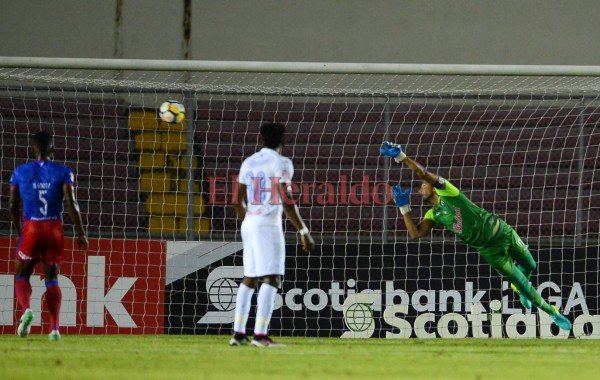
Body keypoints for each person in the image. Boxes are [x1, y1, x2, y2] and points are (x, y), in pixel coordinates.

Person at [380, 141, 572, 331]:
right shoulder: (433, 215)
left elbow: (422, 172)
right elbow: (415, 234)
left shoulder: (448, 191)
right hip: (490, 251)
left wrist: (401, 157)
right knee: (521, 280)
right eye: (420, 186)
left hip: (503, 231)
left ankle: (521, 290)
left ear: (432, 187)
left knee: (531, 265)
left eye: (423, 185)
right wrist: (403, 208)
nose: (420, 188)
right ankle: (552, 311)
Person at [230, 122, 315, 347]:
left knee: (250, 276)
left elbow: (236, 200)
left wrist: (250, 219)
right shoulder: (281, 162)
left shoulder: (248, 161)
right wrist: (303, 231)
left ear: (261, 139)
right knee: (272, 277)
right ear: (283, 141)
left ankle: (238, 334)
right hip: (268, 224)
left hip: (249, 223)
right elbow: (286, 199)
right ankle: (260, 336)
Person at [9, 131, 89, 341]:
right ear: (52, 151)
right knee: (52, 278)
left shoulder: (20, 172)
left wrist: (20, 231)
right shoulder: (63, 171)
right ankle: (54, 330)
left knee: (22, 274)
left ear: (32, 150)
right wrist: (81, 233)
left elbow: (11, 205)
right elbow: (72, 204)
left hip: (32, 226)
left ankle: (26, 310)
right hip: (54, 227)